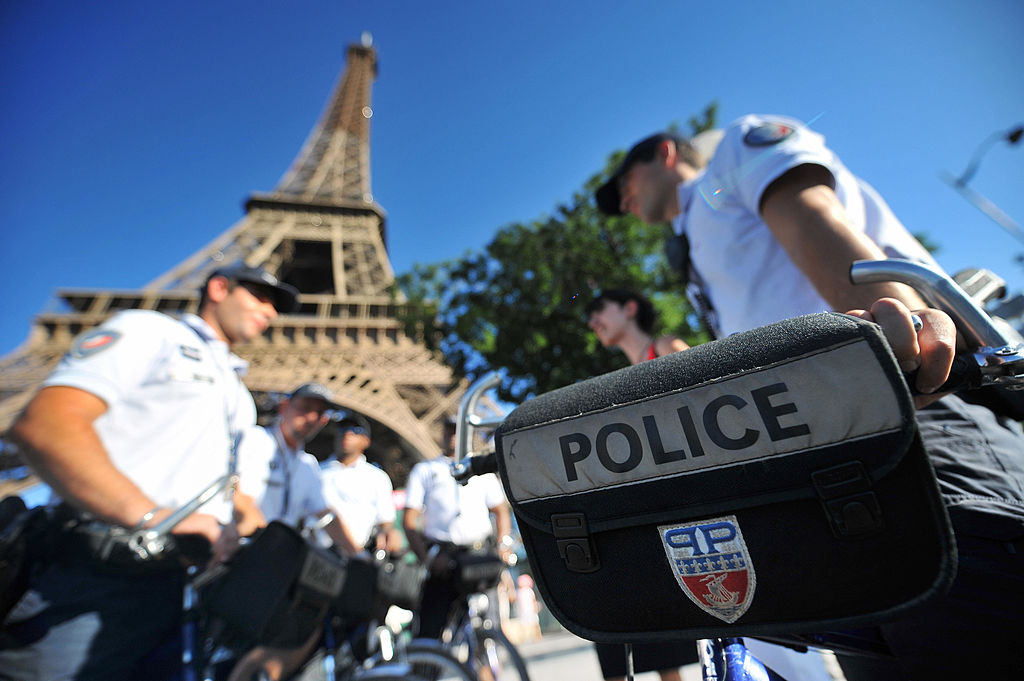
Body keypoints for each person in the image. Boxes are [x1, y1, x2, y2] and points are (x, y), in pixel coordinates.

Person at [595, 114, 1024, 679]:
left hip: (913, 430)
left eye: (625, 181)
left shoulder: (732, 156)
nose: (622, 199)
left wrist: (892, 339)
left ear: (666, 155)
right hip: (832, 476)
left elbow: (812, 219)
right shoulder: (699, 240)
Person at [0, 263, 299, 680]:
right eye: (259, 297)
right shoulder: (150, 333)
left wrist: (242, 530)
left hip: (176, 590)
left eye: (275, 306)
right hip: (92, 575)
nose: (269, 312)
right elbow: (46, 426)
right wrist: (152, 518)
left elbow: (220, 486)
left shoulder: (239, 394)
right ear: (218, 288)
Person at [585, 288, 692, 681]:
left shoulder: (664, 347)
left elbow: (704, 399)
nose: (592, 321)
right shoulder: (620, 380)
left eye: (599, 309)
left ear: (629, 309)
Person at [228, 382, 361, 681]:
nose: (311, 417)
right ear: (284, 407)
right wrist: (273, 545)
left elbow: (326, 515)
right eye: (304, 409)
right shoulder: (256, 441)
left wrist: (359, 554)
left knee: (309, 619)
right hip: (248, 559)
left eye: (319, 413)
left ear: (325, 421)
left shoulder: (307, 465)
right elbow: (242, 501)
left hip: (278, 566)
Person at [403, 418, 513, 640]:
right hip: (443, 559)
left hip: (479, 557)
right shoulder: (425, 470)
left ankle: (486, 669)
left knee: (487, 634)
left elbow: (501, 510)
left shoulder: (482, 470)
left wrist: (504, 544)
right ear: (442, 433)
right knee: (429, 633)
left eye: (458, 431)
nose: (454, 436)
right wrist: (427, 559)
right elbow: (409, 520)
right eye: (450, 430)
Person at [320, 414, 402, 553]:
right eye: (342, 429)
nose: (347, 434)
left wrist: (389, 533)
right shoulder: (316, 470)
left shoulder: (377, 478)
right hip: (314, 549)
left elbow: (386, 520)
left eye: (355, 430)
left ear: (366, 441)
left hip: (353, 554)